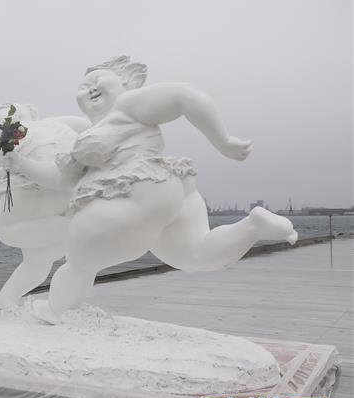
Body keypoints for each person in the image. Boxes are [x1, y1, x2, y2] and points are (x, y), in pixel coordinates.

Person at [32, 56, 297, 321]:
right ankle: (253, 225)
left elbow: (183, 96)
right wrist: (19, 162)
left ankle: (55, 310)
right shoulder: (94, 130)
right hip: (171, 192)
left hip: (138, 188)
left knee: (79, 258)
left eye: (96, 80)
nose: (88, 88)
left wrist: (223, 141)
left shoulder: (126, 105)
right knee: (196, 255)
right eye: (82, 86)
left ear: (125, 82)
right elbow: (59, 178)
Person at [0, 104, 89, 307]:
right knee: (37, 259)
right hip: (68, 189)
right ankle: (6, 298)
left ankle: (83, 227)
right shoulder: (59, 124)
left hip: (29, 187)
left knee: (4, 228)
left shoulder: (17, 129)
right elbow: (86, 124)